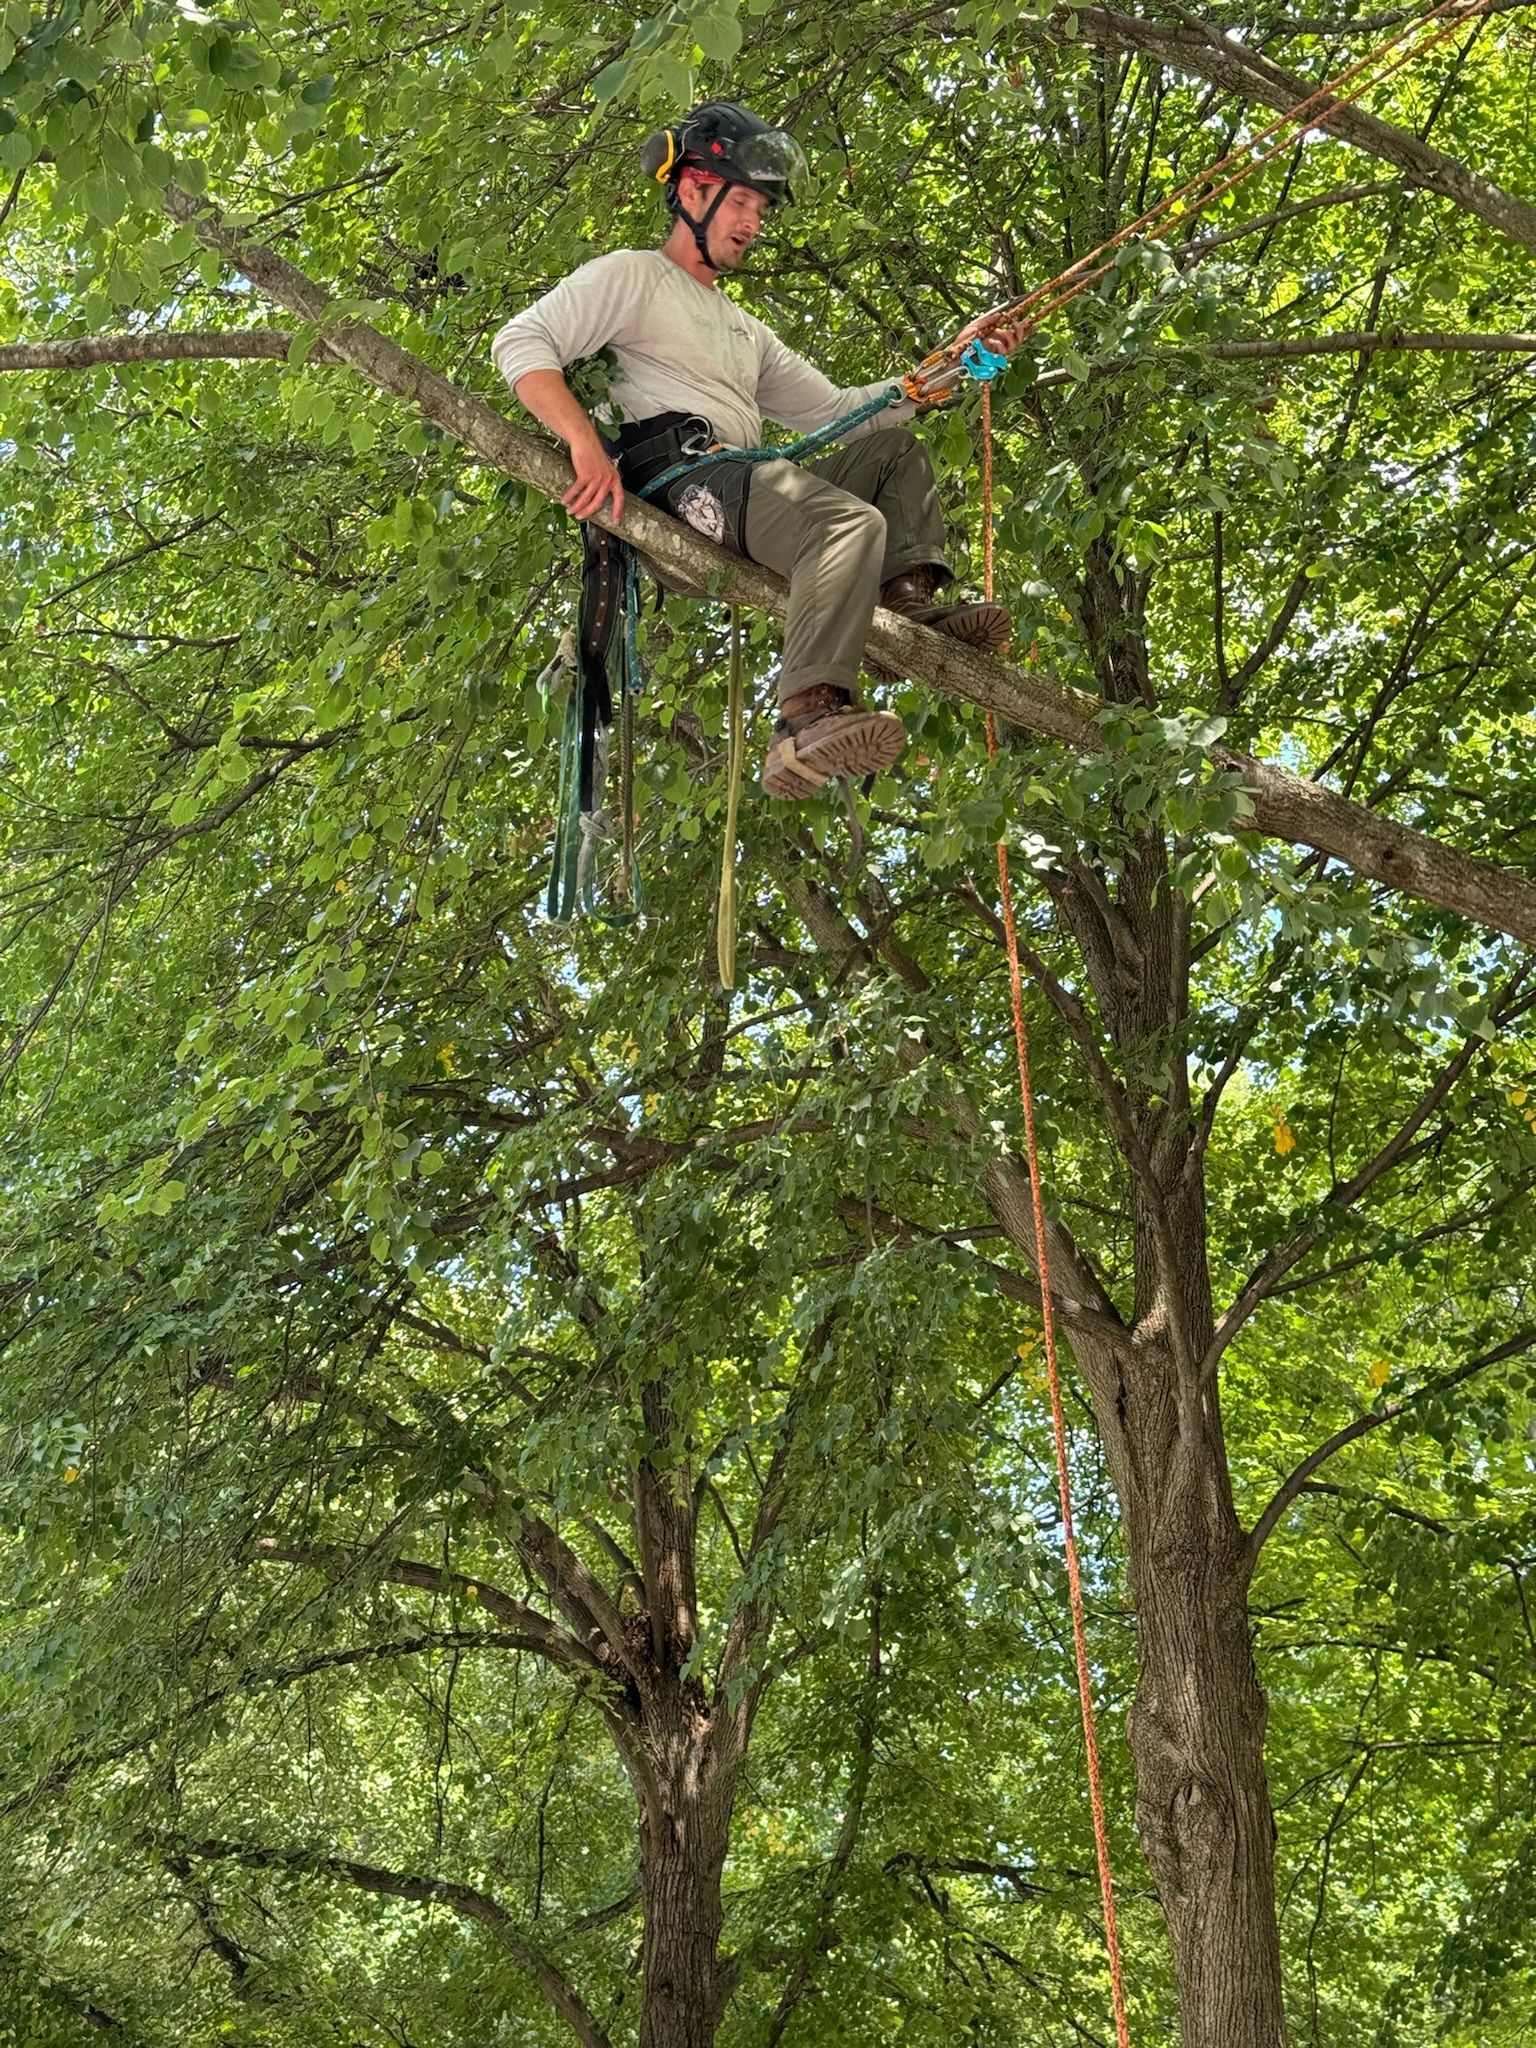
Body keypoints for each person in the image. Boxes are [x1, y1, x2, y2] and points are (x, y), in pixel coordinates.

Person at [492, 99, 1018, 799]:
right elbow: (521, 342)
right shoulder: (632, 275)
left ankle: (901, 602)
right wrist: (583, 443)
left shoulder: (744, 329)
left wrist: (949, 365)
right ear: (691, 192)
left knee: (894, 452)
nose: (753, 223)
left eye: (761, 209)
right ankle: (804, 718)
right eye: (740, 201)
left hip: (742, 482)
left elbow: (839, 412)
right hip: (684, 483)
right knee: (846, 522)